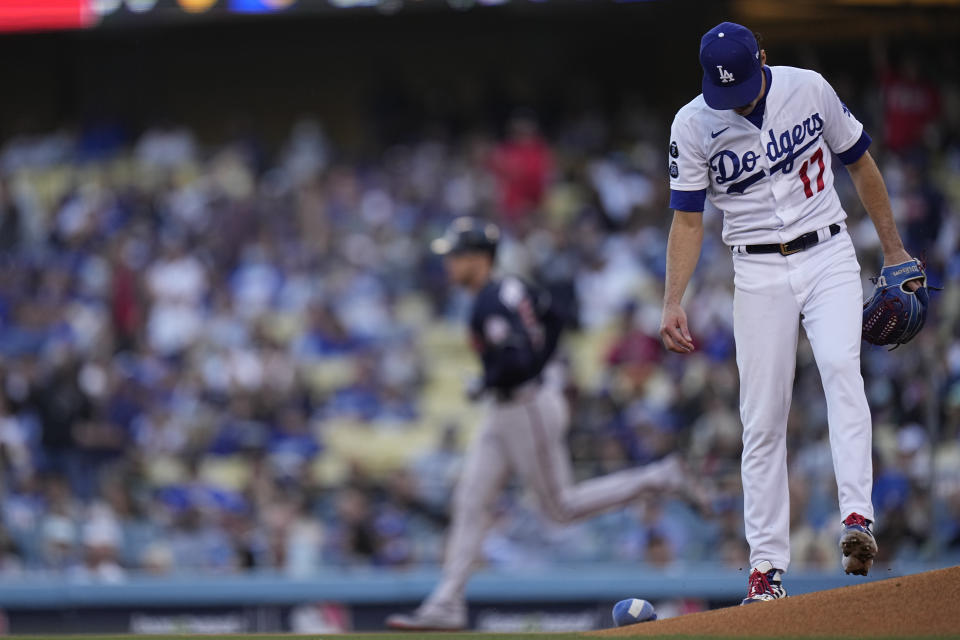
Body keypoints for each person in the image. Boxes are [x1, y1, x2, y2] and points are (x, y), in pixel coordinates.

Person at [660, 22, 921, 604]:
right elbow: (687, 218)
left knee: (839, 367)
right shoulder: (693, 123)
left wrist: (896, 248)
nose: (739, 96)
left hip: (827, 249)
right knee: (762, 417)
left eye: (746, 83)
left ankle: (857, 517)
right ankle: (766, 571)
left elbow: (861, 164)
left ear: (764, 59)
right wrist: (673, 297)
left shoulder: (808, 88)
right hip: (755, 271)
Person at [386, 217, 690, 631]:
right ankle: (447, 601)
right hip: (511, 405)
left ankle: (659, 476)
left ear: (479, 258)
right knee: (470, 499)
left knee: (560, 508)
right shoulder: (512, 287)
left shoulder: (489, 302)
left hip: (524, 405)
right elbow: (556, 316)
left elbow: (515, 359)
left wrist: (489, 381)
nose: (449, 264)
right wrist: (516, 373)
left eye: (456, 255)